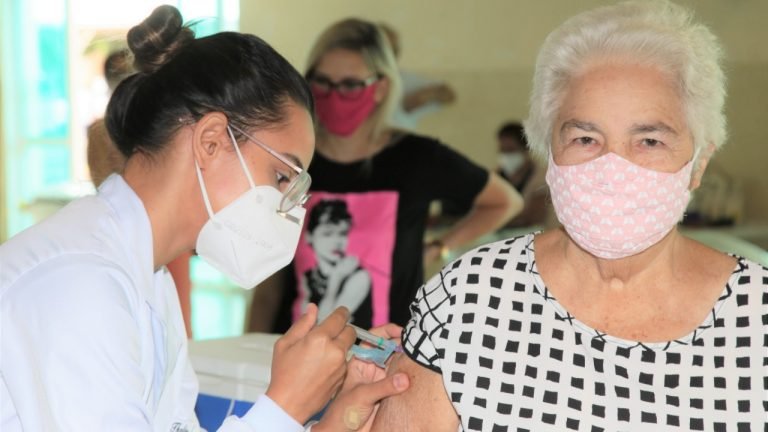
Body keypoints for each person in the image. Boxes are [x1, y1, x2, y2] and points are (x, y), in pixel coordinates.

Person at [0, 5, 408, 431]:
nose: (289, 209)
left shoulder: (149, 280)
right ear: (210, 142)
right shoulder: (77, 281)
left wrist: (337, 419)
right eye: (282, 176)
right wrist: (287, 404)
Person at [372, 1, 768, 430]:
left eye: (649, 141)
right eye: (585, 138)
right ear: (549, 154)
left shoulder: (757, 315)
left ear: (699, 163)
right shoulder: (468, 297)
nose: (613, 168)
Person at [266, 18, 522, 331]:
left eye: (350, 85)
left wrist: (439, 247)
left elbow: (505, 201)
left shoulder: (417, 157)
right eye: (322, 82)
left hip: (389, 348)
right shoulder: (293, 158)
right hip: (292, 343)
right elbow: (270, 281)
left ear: (381, 88)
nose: (334, 95)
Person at [85, 48, 195, 337]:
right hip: (137, 228)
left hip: (149, 229)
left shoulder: (161, 130)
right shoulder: (105, 134)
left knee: (170, 321)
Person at [301, 198, 373, 322]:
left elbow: (325, 324)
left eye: (343, 233)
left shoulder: (359, 276)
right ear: (309, 236)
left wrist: (336, 278)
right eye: (328, 234)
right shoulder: (308, 277)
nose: (337, 241)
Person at [379, 22, 457, 131]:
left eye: (388, 49)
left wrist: (423, 96)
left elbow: (449, 95)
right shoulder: (359, 79)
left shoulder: (405, 79)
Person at [495, 121, 549, 228]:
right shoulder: (495, 176)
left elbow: (533, 218)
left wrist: (492, 221)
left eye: (511, 150)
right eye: (502, 150)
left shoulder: (542, 178)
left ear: (526, 150)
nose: (506, 155)